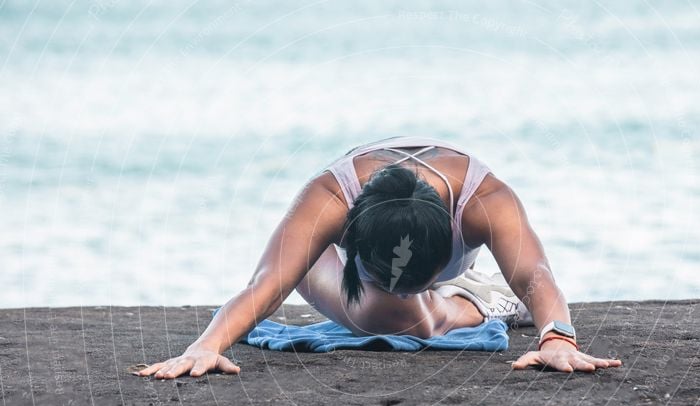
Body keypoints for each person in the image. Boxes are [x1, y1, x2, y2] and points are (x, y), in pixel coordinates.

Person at [138, 136, 622, 379]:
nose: (398, 287)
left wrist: (558, 337)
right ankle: (470, 303)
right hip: (332, 268)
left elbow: (535, 275)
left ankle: (475, 295)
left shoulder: (483, 201)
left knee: (397, 312)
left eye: (413, 281)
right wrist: (206, 346)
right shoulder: (331, 197)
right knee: (381, 313)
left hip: (433, 267)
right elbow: (264, 286)